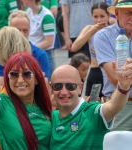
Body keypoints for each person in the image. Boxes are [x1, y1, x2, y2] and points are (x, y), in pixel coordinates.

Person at [50, 58, 132, 149]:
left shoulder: (91, 112)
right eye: (58, 86)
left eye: (70, 86)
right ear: (51, 88)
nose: (64, 92)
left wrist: (123, 86)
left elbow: (113, 106)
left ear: (80, 88)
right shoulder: (51, 118)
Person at [0, 52, 52, 149]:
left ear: (36, 79)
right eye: (14, 74)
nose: (20, 80)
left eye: (27, 74)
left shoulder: (45, 106)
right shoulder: (1, 105)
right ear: (8, 79)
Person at [94, 0, 132, 131]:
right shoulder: (103, 36)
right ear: (117, 13)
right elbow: (116, 78)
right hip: (121, 105)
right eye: (128, 13)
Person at [0, 10, 50, 93]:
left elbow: (43, 87)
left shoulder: (40, 54)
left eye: (25, 30)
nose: (22, 34)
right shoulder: (4, 54)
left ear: (30, 29)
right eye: (17, 30)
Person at [72, 2, 110, 100]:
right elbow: (74, 47)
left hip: (109, 72)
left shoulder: (112, 29)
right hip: (95, 71)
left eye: (102, 16)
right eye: (95, 16)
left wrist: (102, 53)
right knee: (91, 105)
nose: (99, 20)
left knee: (108, 106)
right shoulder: (89, 29)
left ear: (108, 15)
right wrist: (92, 31)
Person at [22, 0, 56, 80]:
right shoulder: (28, 11)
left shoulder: (46, 16)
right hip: (31, 54)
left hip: (44, 55)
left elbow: (49, 42)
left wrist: (30, 48)